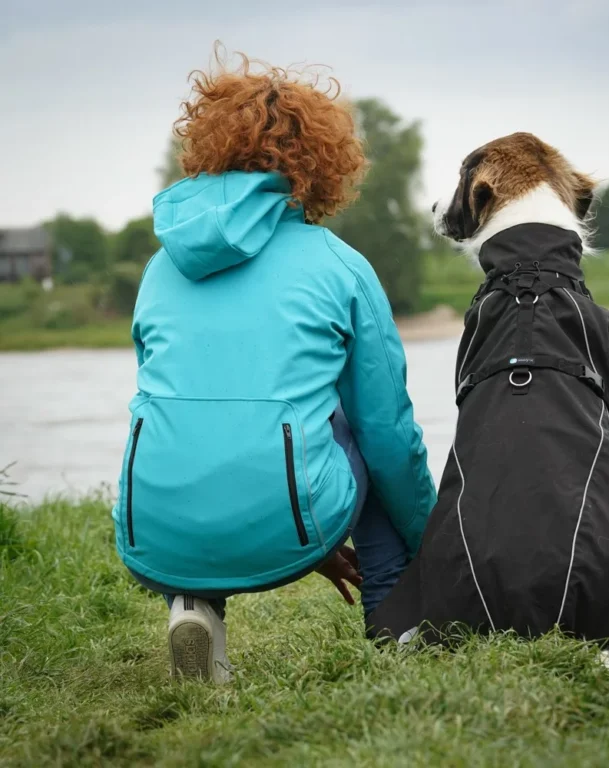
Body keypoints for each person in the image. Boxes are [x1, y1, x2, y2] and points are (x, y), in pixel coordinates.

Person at [112, 50, 436, 683]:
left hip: (157, 531)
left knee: (194, 416)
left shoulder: (157, 270)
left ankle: (193, 607)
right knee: (363, 429)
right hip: (287, 512)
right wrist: (428, 536)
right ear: (321, 164)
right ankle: (396, 623)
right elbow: (389, 436)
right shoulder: (339, 265)